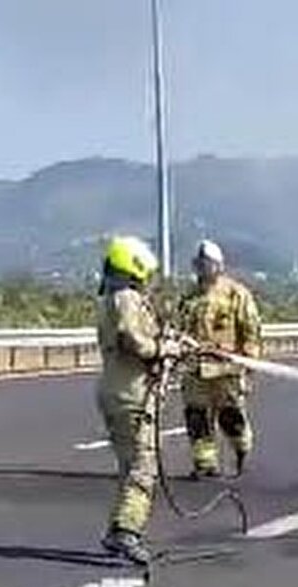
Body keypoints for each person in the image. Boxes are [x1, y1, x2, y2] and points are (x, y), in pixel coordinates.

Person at [97, 235, 183, 565]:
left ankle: (119, 529)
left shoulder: (113, 298)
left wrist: (169, 342)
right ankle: (125, 533)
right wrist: (163, 350)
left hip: (119, 391)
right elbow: (134, 341)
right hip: (130, 395)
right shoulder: (126, 299)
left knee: (129, 465)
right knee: (142, 467)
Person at [177, 240, 262, 479]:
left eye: (209, 264)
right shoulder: (189, 297)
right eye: (200, 264)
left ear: (219, 266)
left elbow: (251, 330)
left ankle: (241, 452)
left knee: (231, 418)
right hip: (196, 371)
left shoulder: (236, 294)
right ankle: (205, 465)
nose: (204, 269)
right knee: (197, 418)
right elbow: (179, 328)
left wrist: (248, 363)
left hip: (226, 371)